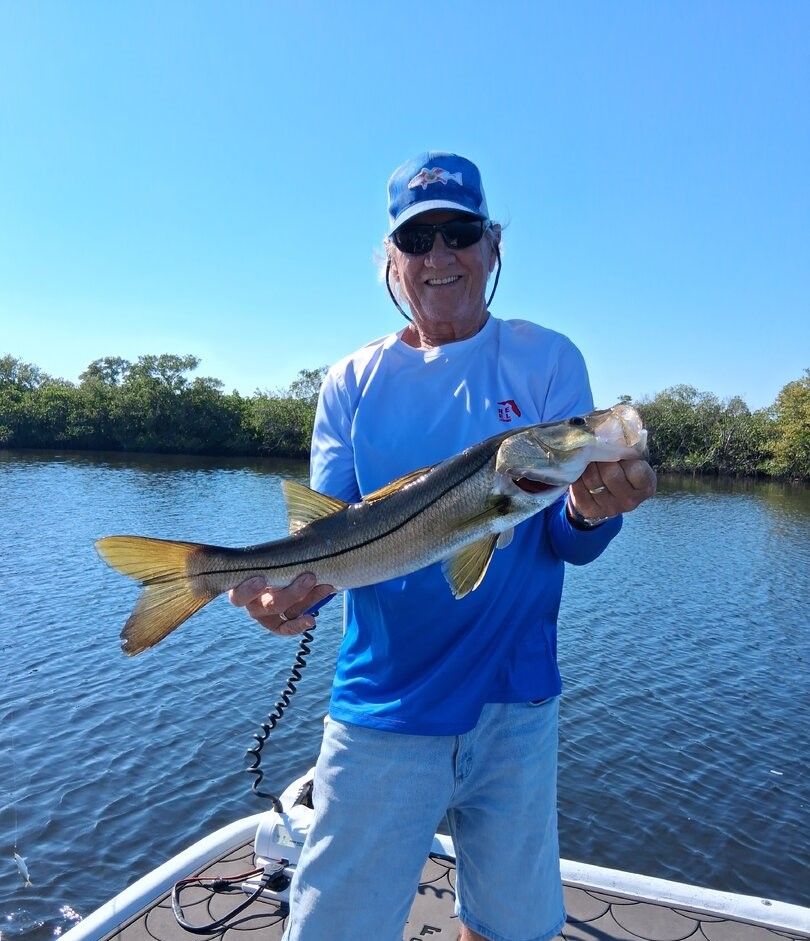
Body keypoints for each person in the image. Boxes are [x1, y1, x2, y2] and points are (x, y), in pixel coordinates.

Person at [230, 152, 656, 941]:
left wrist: (595, 512)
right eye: (417, 239)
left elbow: (566, 536)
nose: (440, 256)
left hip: (518, 700)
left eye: (458, 232)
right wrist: (282, 593)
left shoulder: (548, 359)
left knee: (511, 929)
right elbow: (325, 537)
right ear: (391, 259)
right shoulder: (353, 380)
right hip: (384, 705)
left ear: (493, 245)